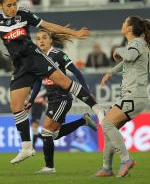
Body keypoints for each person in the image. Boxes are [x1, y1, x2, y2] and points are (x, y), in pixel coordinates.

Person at [0, 0, 105, 164]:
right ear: (1, 6)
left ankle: (97, 108)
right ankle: (26, 147)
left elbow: (47, 25)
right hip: (20, 66)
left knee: (65, 83)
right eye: (9, 5)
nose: (13, 8)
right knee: (16, 106)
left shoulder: (23, 14)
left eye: (14, 4)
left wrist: (74, 33)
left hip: (35, 58)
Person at [93, 16, 150, 178]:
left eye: (124, 22)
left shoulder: (136, 43)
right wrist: (111, 71)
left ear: (129, 28)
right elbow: (128, 61)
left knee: (107, 124)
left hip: (134, 95)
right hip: (134, 95)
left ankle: (126, 159)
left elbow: (128, 56)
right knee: (110, 128)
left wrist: (117, 50)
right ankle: (107, 168)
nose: (121, 24)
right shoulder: (135, 44)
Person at [26, 29, 98, 173]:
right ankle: (83, 121)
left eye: (44, 38)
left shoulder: (58, 54)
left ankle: (49, 167)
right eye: (38, 38)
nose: (41, 41)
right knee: (54, 134)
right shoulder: (38, 58)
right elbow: (38, 83)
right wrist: (31, 100)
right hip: (52, 99)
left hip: (62, 98)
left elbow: (76, 72)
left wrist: (87, 92)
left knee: (46, 131)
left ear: (50, 40)